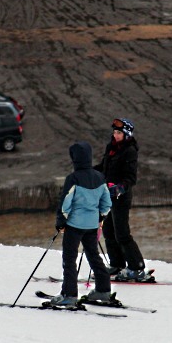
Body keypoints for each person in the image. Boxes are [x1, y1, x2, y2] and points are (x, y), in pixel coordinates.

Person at [51, 141, 113, 307]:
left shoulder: (73, 178)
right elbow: (107, 203)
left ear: (75, 159)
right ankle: (103, 290)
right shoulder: (99, 177)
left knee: (70, 258)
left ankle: (69, 294)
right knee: (93, 255)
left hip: (74, 226)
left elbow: (66, 203)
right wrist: (100, 218)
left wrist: (61, 222)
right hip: (92, 226)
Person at [94, 117, 151, 282]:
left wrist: (119, 188)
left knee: (122, 234)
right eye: (114, 132)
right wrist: (87, 171)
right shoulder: (111, 147)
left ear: (126, 134)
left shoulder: (129, 151)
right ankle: (117, 264)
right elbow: (103, 167)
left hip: (120, 198)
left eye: (119, 132)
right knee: (109, 232)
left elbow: (131, 177)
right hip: (107, 196)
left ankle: (137, 268)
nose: (115, 135)